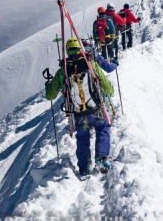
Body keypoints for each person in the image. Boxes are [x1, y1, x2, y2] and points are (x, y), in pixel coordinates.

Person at [45, 38, 116, 176]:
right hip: (96, 110)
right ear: (80, 49)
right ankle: (101, 157)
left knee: (82, 137)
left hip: (77, 113)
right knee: (103, 128)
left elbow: (50, 95)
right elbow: (107, 87)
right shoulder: (91, 65)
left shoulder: (63, 71)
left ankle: (84, 167)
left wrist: (48, 85)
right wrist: (111, 92)